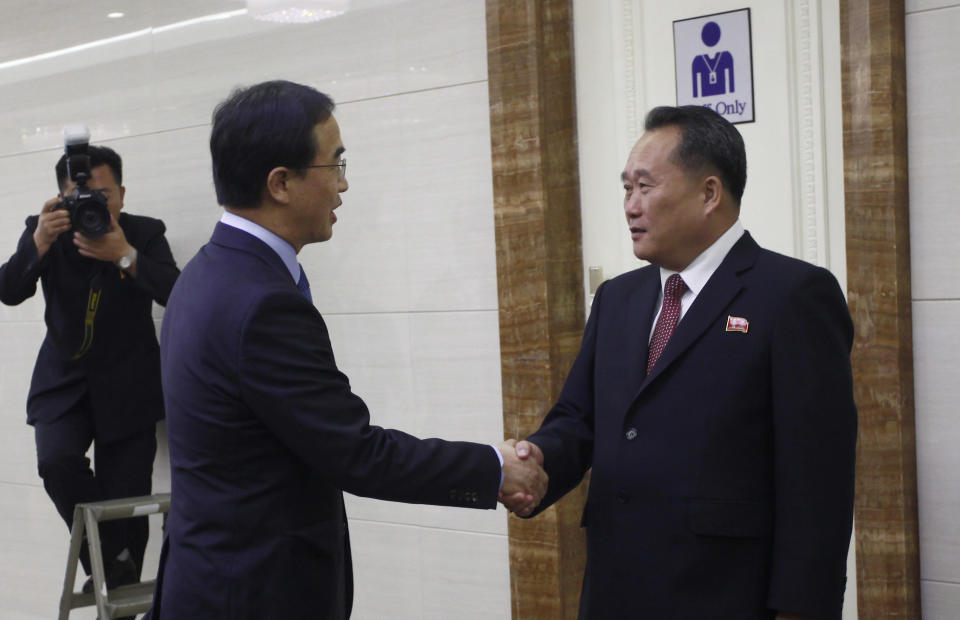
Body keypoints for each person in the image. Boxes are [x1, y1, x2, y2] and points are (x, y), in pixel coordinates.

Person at [147, 80, 546, 620]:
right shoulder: (260, 302)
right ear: (281, 183)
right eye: (334, 164)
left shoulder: (204, 274)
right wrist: (494, 468)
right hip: (252, 595)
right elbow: (356, 455)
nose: (344, 184)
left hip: (211, 581)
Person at [505, 105, 857, 620]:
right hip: (615, 591)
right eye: (626, 188)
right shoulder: (617, 299)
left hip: (724, 594)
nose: (630, 206)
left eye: (645, 187)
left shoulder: (792, 295)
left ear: (709, 193)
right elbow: (579, 420)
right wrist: (536, 463)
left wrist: (802, 610)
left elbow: (818, 481)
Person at [0, 145, 180, 593]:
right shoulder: (47, 232)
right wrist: (39, 241)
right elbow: (8, 290)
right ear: (62, 199)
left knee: (127, 496)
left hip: (129, 382)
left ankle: (118, 580)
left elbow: (177, 293)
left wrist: (125, 254)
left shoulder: (143, 232)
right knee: (57, 462)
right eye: (83, 197)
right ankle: (104, 565)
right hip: (62, 379)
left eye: (105, 194)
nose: (96, 205)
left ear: (121, 192)